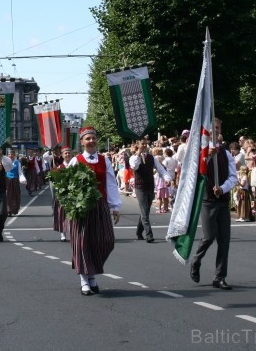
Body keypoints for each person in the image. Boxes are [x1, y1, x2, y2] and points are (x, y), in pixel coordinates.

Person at [66, 126, 121, 296]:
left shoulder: (105, 160)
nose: (91, 141)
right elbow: (68, 184)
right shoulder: (76, 160)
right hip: (82, 208)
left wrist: (115, 206)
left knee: (106, 241)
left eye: (93, 138)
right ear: (82, 142)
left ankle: (92, 273)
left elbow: (111, 183)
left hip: (100, 205)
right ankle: (86, 279)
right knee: (83, 243)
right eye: (87, 139)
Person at [189, 118, 238, 290]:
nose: (215, 131)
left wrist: (223, 189)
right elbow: (195, 173)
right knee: (209, 236)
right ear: (207, 131)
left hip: (222, 201)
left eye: (218, 128)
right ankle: (196, 260)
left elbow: (234, 177)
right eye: (212, 129)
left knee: (224, 240)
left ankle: (219, 277)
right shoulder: (201, 152)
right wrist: (208, 156)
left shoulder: (226, 153)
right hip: (208, 200)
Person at [129, 137, 172, 243]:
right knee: (144, 212)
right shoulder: (133, 158)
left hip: (150, 186)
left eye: (145, 143)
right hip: (140, 188)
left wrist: (167, 178)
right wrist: (138, 154)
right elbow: (134, 166)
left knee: (146, 211)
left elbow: (161, 169)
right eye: (142, 144)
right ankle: (149, 235)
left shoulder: (151, 157)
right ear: (137, 145)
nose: (144, 145)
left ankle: (139, 232)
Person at [52, 146, 71, 241]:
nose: (67, 155)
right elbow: (55, 183)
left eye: (69, 153)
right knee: (62, 214)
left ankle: (72, 232)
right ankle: (62, 233)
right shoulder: (59, 168)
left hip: (72, 194)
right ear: (62, 155)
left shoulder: (75, 166)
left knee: (73, 215)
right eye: (65, 153)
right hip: (62, 194)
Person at [4, 148, 22, 217]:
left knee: (15, 195)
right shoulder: (5, 162)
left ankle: (14, 209)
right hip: (7, 180)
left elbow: (20, 172)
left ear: (14, 155)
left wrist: (22, 179)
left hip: (15, 180)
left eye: (12, 154)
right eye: (9, 154)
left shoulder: (17, 163)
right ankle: (8, 210)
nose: (10, 155)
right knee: (8, 195)